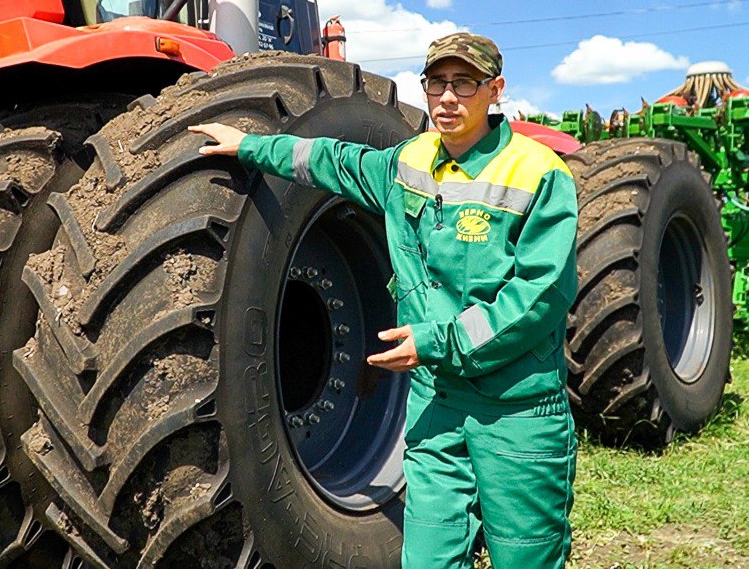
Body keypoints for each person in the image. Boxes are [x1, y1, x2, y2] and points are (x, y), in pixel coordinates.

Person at [189, 33, 578, 568]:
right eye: (437, 83)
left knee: (525, 558)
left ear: (495, 90)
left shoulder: (536, 172)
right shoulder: (410, 162)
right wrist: (251, 146)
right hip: (436, 401)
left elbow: (539, 298)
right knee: (428, 557)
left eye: (464, 84)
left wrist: (438, 341)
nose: (447, 98)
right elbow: (333, 161)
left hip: (514, 407)